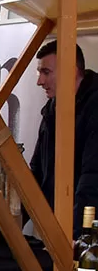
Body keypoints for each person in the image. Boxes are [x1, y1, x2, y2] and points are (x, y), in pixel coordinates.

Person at [31, 40, 98, 237]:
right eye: (39, 73)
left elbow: (92, 178)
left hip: (83, 237)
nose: (40, 81)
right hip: (58, 231)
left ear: (72, 70)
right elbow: (37, 172)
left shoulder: (94, 107)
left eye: (46, 72)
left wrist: (75, 237)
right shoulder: (52, 108)